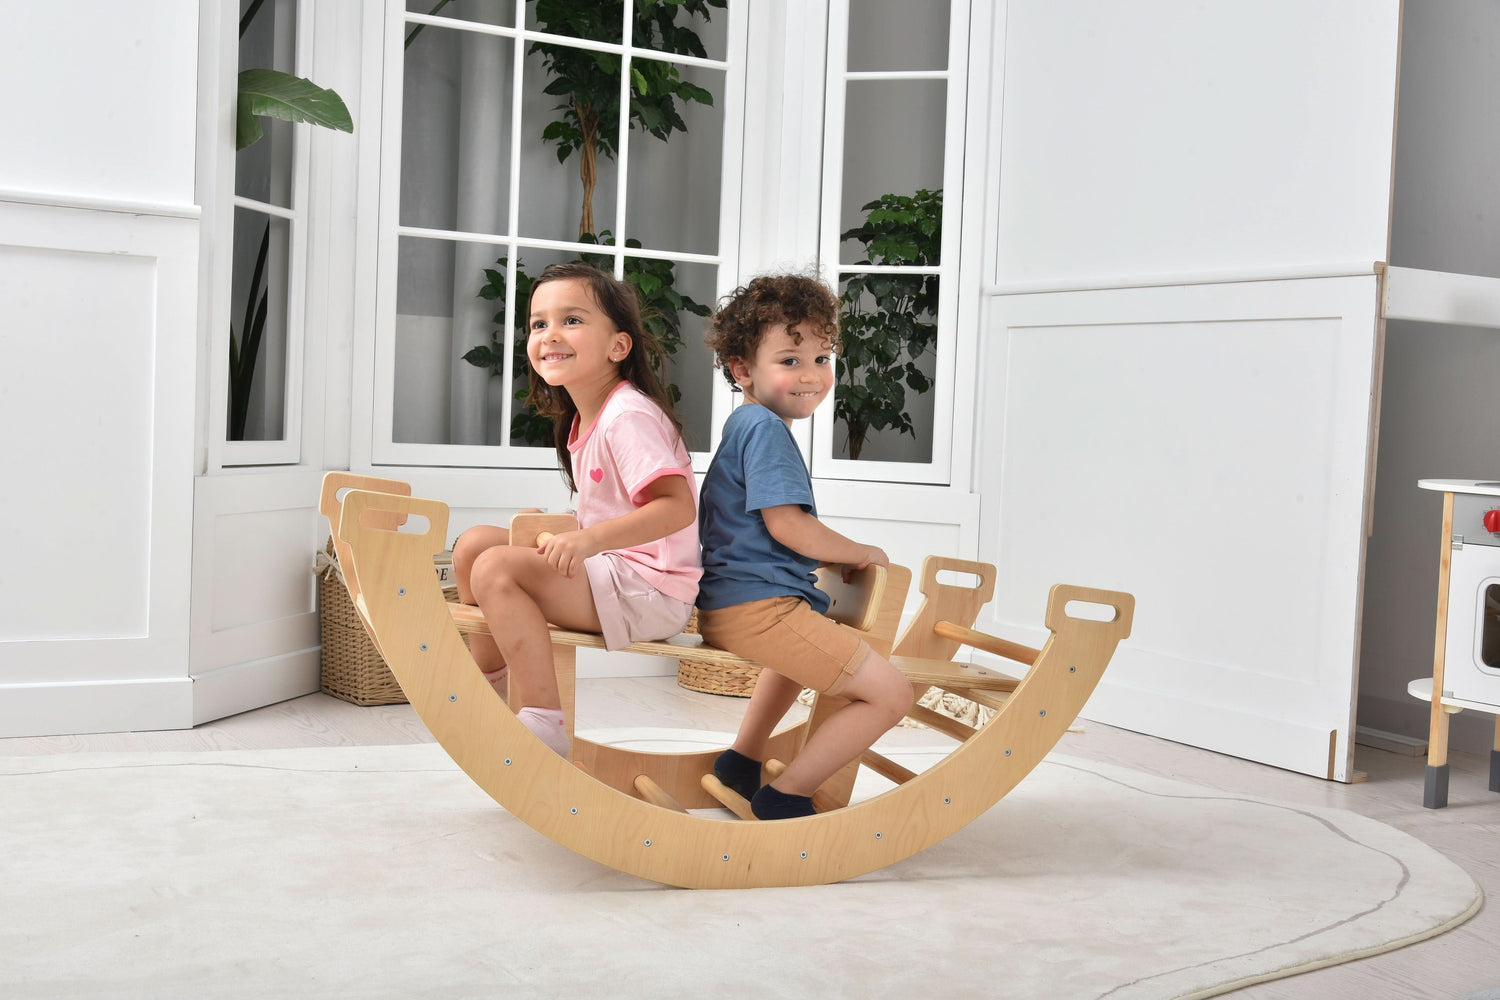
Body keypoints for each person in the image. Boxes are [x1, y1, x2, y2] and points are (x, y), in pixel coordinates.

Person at [451, 263, 701, 758]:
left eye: (571, 320)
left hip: (651, 590)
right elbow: (611, 509)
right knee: (474, 545)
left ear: (618, 346)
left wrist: (586, 539)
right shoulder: (589, 415)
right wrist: (563, 526)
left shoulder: (627, 415)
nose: (550, 334)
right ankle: (493, 685)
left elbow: (677, 508)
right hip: (615, 571)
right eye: (538, 323)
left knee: (496, 566)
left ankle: (544, 721)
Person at [696, 273, 914, 820]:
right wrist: (859, 552)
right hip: (759, 609)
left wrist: (827, 555)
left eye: (821, 358)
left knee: (798, 656)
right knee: (892, 695)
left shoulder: (744, 424)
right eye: (789, 360)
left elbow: (758, 531)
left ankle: (742, 761)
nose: (812, 375)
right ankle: (786, 796)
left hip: (732, 604)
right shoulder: (766, 430)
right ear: (743, 370)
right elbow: (787, 526)